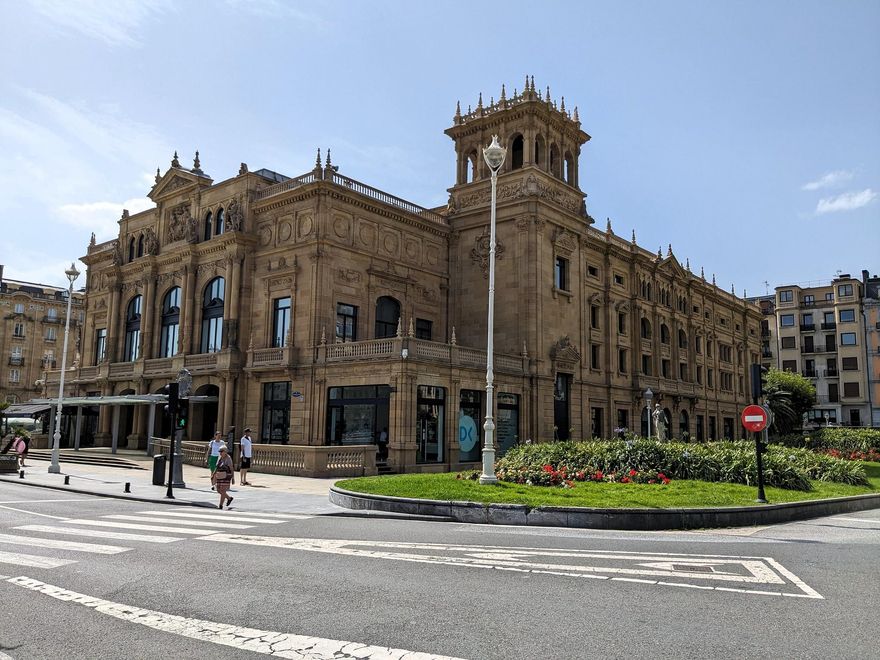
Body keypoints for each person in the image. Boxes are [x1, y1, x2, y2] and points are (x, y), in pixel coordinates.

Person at [212, 445, 234, 509]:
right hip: (220, 475)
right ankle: (229, 498)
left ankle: (220, 505)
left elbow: (231, 468)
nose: (220, 453)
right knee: (218, 490)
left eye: (221, 451)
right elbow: (217, 466)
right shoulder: (220, 457)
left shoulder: (228, 458)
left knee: (223, 490)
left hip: (226, 476)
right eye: (220, 452)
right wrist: (213, 474)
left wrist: (233, 478)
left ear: (225, 451)